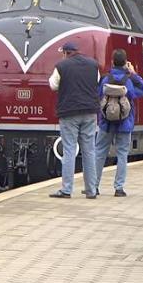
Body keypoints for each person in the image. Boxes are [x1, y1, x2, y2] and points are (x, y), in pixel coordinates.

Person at [48, 41, 100, 199]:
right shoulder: (93, 65)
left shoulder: (62, 66)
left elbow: (53, 85)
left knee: (69, 150)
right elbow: (96, 81)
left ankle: (67, 189)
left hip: (69, 112)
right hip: (90, 112)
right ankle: (91, 190)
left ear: (65, 53)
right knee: (89, 151)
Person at [93, 49, 143, 197]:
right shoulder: (129, 81)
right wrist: (134, 73)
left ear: (112, 62)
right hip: (125, 123)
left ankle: (94, 186)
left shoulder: (105, 79)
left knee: (99, 153)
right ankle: (118, 188)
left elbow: (98, 94)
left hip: (106, 124)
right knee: (122, 155)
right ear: (125, 63)